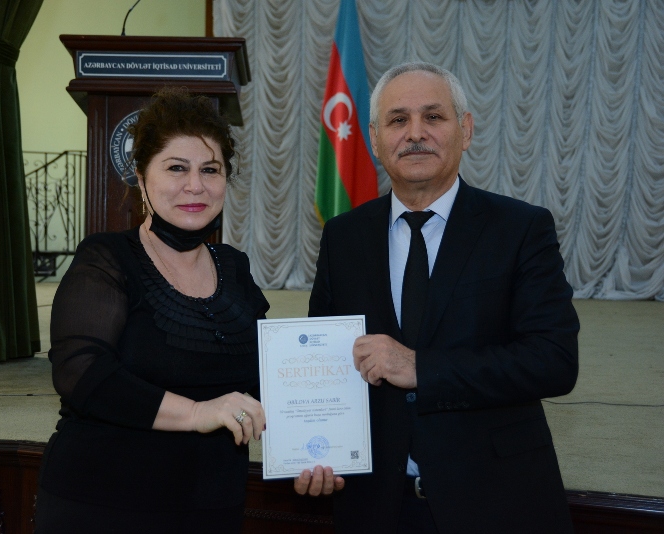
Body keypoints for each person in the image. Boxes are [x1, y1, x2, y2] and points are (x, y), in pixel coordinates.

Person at [295, 62, 579, 533]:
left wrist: (421, 368)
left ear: (465, 130)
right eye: (398, 120)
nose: (415, 133)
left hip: (496, 502)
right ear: (374, 139)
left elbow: (553, 361)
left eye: (433, 116)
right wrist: (311, 447)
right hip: (375, 506)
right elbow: (324, 366)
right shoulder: (343, 237)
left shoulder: (521, 228)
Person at [34, 88, 269, 533]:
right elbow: (80, 373)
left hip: (212, 505)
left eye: (210, 170)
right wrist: (197, 413)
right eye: (176, 168)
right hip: (105, 504)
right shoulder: (106, 258)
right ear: (142, 179)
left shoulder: (234, 267)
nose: (195, 185)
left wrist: (315, 448)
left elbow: (270, 377)